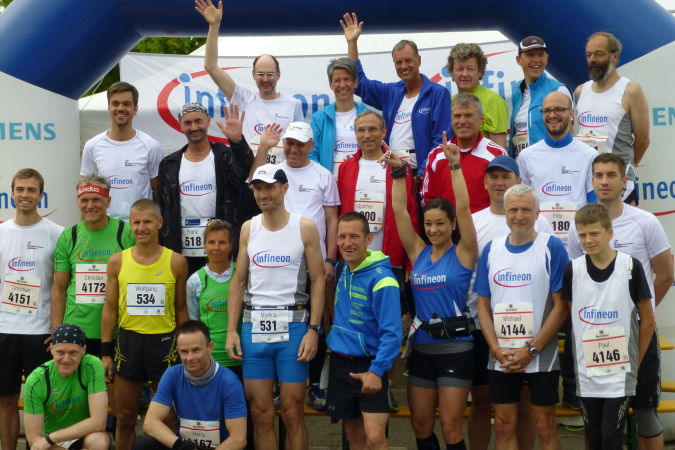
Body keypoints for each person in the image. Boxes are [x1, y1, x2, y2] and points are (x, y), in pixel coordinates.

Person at [566, 153, 674, 450]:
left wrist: (637, 314)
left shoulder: (645, 222)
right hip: (596, 335)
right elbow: (580, 278)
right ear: (591, 181)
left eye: (611, 175)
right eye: (598, 175)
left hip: (638, 331)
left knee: (645, 412)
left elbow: (666, 275)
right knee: (596, 420)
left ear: (624, 181)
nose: (604, 181)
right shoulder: (579, 226)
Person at [381, 131, 478, 450]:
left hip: (456, 349)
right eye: (428, 224)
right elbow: (399, 212)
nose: (433, 229)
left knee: (450, 428)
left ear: (452, 225)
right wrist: (398, 172)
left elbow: (464, 208)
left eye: (440, 223)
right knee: (420, 425)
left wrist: (455, 166)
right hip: (422, 349)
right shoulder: (418, 253)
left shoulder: (464, 253)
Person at [225, 164, 325, 450]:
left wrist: (314, 330)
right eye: (258, 188)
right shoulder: (249, 227)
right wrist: (231, 330)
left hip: (293, 326)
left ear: (284, 188)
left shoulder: (304, 227)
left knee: (293, 412)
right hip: (254, 326)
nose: (263, 194)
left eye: (269, 187)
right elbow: (239, 281)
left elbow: (318, 280)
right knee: (261, 412)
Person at [251, 121, 340, 410]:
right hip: (278, 260)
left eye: (300, 144)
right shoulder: (273, 172)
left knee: (318, 321)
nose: (294, 149)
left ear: (311, 146)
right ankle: (280, 383)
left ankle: (314, 383)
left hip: (314, 260)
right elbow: (253, 190)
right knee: (282, 317)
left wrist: (330, 259)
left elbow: (332, 221)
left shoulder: (323, 175)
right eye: (289, 142)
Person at [467, 156, 552, 450]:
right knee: (484, 404)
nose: (499, 182)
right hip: (484, 329)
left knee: (526, 407)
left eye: (506, 176)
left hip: (532, 334)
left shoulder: (542, 224)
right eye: (493, 176)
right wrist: (493, 344)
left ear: (518, 180)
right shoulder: (475, 222)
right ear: (485, 182)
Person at [475, 184, 569, 450]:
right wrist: (495, 349)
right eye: (513, 210)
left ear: (538, 213)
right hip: (502, 355)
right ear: (505, 212)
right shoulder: (491, 249)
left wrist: (532, 349)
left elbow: (562, 306)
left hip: (541, 354)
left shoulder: (551, 247)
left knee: (544, 425)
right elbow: (483, 306)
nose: (519, 216)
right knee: (503, 424)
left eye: (526, 210)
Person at [563, 204, 655, 450]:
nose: (588, 240)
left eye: (594, 233)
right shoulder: (573, 270)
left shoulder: (631, 267)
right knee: (594, 438)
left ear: (609, 233)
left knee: (610, 437)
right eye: (582, 235)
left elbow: (648, 321)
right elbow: (574, 320)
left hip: (620, 374)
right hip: (587, 373)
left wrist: (635, 362)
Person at [100, 199, 189, 450]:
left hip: (165, 345)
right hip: (129, 344)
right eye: (136, 222)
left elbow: (181, 309)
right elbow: (110, 308)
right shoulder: (117, 262)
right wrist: (106, 352)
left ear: (159, 223)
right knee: (125, 417)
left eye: (147, 221)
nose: (141, 228)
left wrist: (184, 349)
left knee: (168, 417)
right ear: (130, 224)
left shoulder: (176, 262)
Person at [325, 212, 402, 450]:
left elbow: (392, 334)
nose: (347, 243)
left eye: (354, 236)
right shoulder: (341, 268)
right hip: (341, 363)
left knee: (375, 438)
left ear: (369, 239)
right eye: (342, 237)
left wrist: (377, 370)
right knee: (354, 437)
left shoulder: (384, 280)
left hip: (370, 364)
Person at [0, 168, 64, 450]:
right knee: (5, 400)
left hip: (40, 332)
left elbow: (62, 286)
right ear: (12, 193)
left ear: (41, 195)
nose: (25, 195)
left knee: (41, 400)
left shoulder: (57, 233)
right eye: (20, 189)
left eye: (31, 190)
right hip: (4, 330)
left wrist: (56, 329)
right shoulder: (1, 232)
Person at [342, 12, 451, 173]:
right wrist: (352, 42)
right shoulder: (390, 92)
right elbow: (360, 84)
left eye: (408, 60)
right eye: (398, 62)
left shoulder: (438, 94)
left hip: (422, 173)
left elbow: (441, 141)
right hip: (392, 171)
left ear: (419, 60)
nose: (403, 66)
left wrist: (422, 173)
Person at [198, 0, 303, 164]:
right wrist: (214, 25)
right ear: (253, 75)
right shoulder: (243, 97)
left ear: (278, 75)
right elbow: (210, 66)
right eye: (260, 74)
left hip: (280, 175)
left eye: (270, 74)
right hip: (248, 174)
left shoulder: (293, 104)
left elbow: (300, 143)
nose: (265, 79)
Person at [157, 102, 254, 276]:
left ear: (208, 121)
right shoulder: (169, 164)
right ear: (180, 126)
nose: (194, 127)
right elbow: (162, 206)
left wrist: (237, 142)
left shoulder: (224, 156)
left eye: (198, 121)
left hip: (219, 246)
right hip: (180, 247)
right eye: (188, 123)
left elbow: (244, 171)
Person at [51, 174, 135, 355]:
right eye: (84, 200)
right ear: (78, 202)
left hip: (117, 329)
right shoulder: (69, 236)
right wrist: (57, 332)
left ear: (108, 201)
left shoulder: (126, 232)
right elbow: (59, 289)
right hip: (77, 330)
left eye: (96, 199)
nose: (90, 206)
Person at [132, 320, 247, 450]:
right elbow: (149, 423)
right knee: (143, 444)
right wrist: (181, 445)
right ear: (177, 351)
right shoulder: (172, 375)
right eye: (184, 352)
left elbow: (238, 439)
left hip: (220, 447)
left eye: (196, 350)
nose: (190, 358)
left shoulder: (229, 381)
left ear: (210, 347)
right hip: (185, 446)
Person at [575, 32, 650, 205]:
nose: (592, 59)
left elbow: (643, 141)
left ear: (615, 56)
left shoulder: (630, 90)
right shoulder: (580, 91)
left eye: (599, 54)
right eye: (589, 55)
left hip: (619, 185)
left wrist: (622, 171)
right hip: (588, 182)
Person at [517, 91, 597, 245]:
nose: (552, 115)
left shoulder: (589, 155)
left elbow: (593, 204)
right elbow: (523, 202)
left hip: (578, 243)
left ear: (571, 113)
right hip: (539, 242)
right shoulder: (526, 156)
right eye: (547, 111)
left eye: (559, 109)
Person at [81, 81, 164, 221]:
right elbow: (86, 192)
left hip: (139, 227)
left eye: (126, 104)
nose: (120, 108)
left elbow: (159, 194)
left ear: (135, 109)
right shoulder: (92, 146)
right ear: (108, 108)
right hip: (105, 226)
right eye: (115, 103)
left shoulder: (151, 146)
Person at [23, 324, 110, 450]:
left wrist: (52, 437)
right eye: (60, 352)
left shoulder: (92, 365)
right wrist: (50, 439)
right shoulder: (36, 380)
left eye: (73, 352)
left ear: (83, 350)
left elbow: (98, 422)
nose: (66, 359)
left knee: (99, 441)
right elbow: (34, 439)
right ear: (51, 349)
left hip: (78, 435)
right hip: (50, 442)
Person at [420, 93, 506, 213]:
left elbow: (505, 196)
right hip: (446, 224)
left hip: (483, 224)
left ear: (481, 119)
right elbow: (427, 197)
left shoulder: (497, 154)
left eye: (468, 115)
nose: (462, 121)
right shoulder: (436, 155)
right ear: (451, 120)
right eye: (457, 116)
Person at [509, 36, 573, 159]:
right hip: (520, 167)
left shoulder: (559, 90)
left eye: (541, 54)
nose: (536, 60)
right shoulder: (517, 93)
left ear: (547, 58)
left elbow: (567, 138)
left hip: (547, 165)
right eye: (530, 55)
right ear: (518, 60)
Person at [309, 57, 370, 178]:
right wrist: (325, 179)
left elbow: (378, 151)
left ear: (355, 83)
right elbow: (311, 154)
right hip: (329, 184)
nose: (342, 85)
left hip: (361, 183)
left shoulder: (369, 117)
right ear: (331, 85)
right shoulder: (318, 119)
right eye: (337, 80)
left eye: (347, 79)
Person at [446, 43, 508, 148]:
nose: (465, 74)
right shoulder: (451, 101)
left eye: (470, 69)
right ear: (452, 73)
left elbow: (500, 149)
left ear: (480, 72)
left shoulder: (492, 100)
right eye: (459, 69)